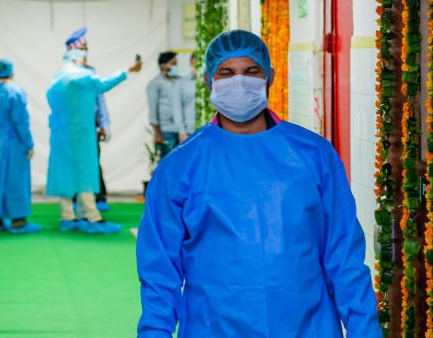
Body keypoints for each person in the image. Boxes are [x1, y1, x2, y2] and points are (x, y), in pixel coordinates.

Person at [137, 30, 380, 337]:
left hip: (308, 325)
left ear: (269, 77)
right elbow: (160, 269)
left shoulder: (312, 155)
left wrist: (364, 330)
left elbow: (343, 256)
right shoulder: (182, 165)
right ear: (209, 81)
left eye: (251, 71)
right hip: (213, 326)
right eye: (227, 73)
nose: (239, 81)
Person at [47, 47, 142, 234]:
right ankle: (92, 217)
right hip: (79, 136)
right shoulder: (79, 77)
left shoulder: (56, 81)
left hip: (61, 136)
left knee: (66, 174)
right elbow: (103, 83)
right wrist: (128, 70)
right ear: (79, 60)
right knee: (85, 174)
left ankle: (68, 216)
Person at [0, 58, 39, 234]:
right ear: (12, 72)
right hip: (14, 142)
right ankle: (18, 219)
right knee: (17, 179)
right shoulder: (15, 92)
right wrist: (28, 144)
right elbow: (21, 121)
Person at [65, 27, 113, 212]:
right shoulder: (65, 75)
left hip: (89, 126)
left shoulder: (91, 72)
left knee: (93, 161)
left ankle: (99, 196)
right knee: (73, 163)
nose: (84, 51)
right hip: (71, 127)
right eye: (81, 47)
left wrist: (105, 125)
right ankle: (76, 198)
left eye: (85, 47)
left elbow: (99, 100)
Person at [146, 51, 188, 159]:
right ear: (163, 65)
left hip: (182, 131)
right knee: (168, 163)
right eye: (173, 64)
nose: (175, 67)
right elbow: (152, 108)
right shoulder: (155, 83)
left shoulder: (181, 81)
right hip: (166, 131)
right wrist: (157, 133)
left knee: (182, 163)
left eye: (176, 64)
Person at [179, 52, 198, 133]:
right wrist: (182, 132)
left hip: (210, 131)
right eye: (197, 61)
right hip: (189, 131)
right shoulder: (182, 83)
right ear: (191, 62)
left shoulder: (213, 82)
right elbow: (177, 109)